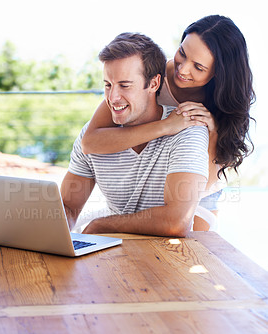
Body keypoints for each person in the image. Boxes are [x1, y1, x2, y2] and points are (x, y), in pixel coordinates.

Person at [81, 15, 256, 231]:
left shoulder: (223, 108)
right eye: (182, 53)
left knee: (188, 249)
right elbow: (90, 142)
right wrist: (165, 126)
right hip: (154, 182)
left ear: (218, 73)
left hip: (200, 191)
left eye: (198, 67)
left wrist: (212, 133)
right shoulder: (152, 76)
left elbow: (203, 186)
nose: (183, 69)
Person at [61, 32, 209, 237]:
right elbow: (68, 206)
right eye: (108, 85)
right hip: (109, 251)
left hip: (165, 256)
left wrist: (103, 225)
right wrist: (48, 228)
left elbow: (176, 221)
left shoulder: (187, 130)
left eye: (124, 85)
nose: (112, 98)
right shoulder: (94, 136)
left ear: (154, 84)